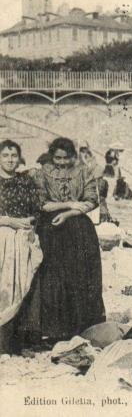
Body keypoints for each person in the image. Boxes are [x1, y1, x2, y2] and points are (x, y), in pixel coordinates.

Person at [17, 137, 105, 344]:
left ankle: (82, 327)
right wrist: (69, 205)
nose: (62, 162)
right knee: (54, 279)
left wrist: (68, 212)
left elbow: (92, 200)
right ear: (52, 156)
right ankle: (54, 330)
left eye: (66, 158)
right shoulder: (42, 172)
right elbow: (41, 203)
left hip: (79, 231)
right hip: (52, 230)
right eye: (58, 158)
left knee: (81, 277)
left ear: (73, 156)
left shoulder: (85, 171)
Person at [0, 140, 44, 354]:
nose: (10, 159)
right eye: (5, 155)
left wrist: (28, 221)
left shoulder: (25, 181)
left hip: (23, 237)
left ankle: (21, 341)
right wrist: (9, 221)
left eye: (13, 155)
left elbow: (36, 209)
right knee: (5, 287)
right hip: (2, 238)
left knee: (26, 284)